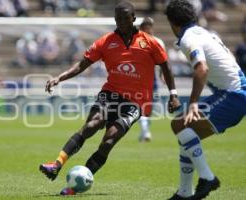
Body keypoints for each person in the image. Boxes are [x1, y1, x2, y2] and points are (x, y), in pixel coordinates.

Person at [39, 1, 181, 195]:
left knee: (109, 140)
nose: (121, 22)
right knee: (91, 125)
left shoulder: (150, 42)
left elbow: (166, 66)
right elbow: (82, 64)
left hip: (135, 102)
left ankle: (75, 188)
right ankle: (56, 164)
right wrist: (59, 78)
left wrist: (173, 95)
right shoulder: (106, 41)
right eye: (118, 18)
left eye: (125, 18)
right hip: (111, 93)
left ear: (133, 18)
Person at [165, 1, 246, 199]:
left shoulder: (189, 38)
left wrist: (193, 102)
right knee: (186, 132)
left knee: (180, 126)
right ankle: (184, 192)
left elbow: (202, 68)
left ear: (173, 23)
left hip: (233, 95)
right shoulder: (204, 32)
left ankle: (208, 178)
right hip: (232, 92)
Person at [138, 17, 166, 142]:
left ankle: (145, 131)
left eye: (150, 26)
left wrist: (162, 75)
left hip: (149, 79)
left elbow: (163, 62)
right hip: (141, 79)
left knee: (146, 107)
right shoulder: (140, 41)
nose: (149, 28)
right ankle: (145, 131)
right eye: (146, 26)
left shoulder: (157, 41)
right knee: (143, 107)